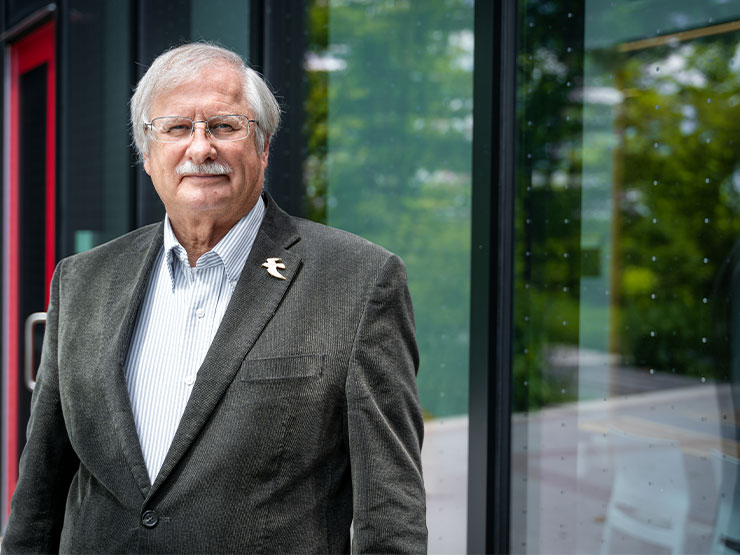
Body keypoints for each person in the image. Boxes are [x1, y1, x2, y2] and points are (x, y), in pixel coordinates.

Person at [2, 43, 427, 553]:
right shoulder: (82, 280)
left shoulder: (357, 281)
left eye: (224, 127)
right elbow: (39, 494)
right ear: (147, 151)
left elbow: (390, 516)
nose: (200, 149)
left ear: (263, 147)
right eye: (178, 128)